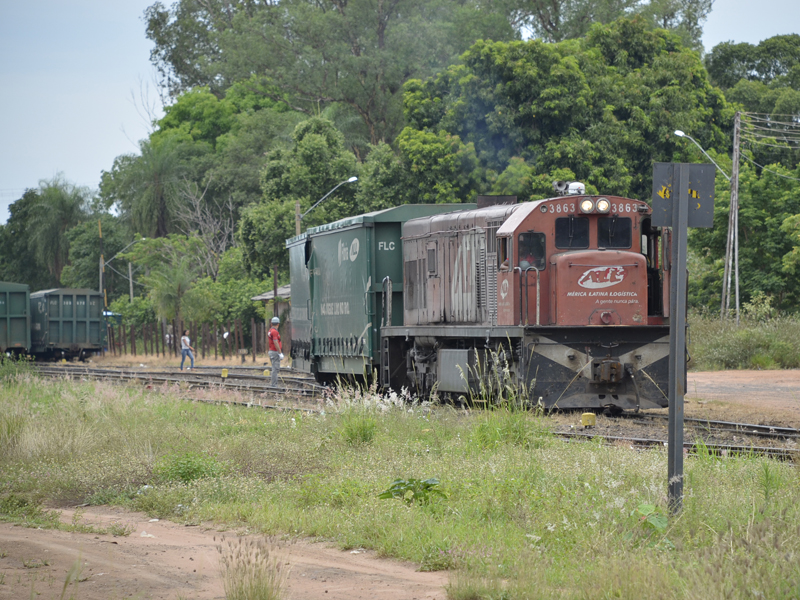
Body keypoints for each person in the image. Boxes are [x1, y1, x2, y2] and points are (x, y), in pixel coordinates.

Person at [267, 317, 284, 387]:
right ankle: (274, 385)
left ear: (271, 323)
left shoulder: (270, 330)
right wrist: (280, 353)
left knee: (275, 368)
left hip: (271, 351)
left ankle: (274, 384)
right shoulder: (275, 332)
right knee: (275, 368)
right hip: (274, 352)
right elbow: (275, 342)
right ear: (278, 324)